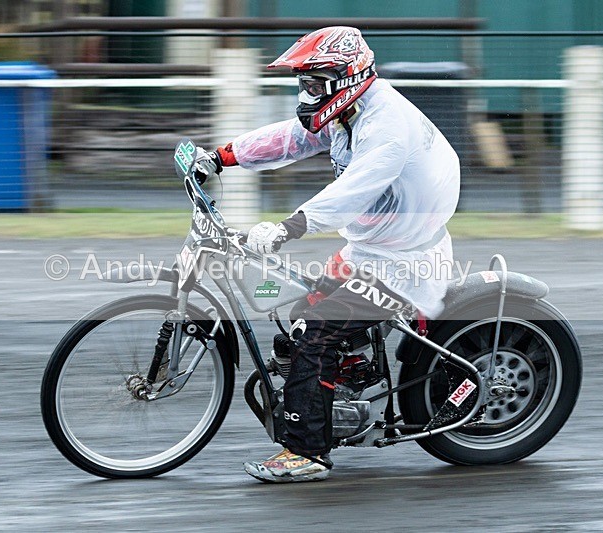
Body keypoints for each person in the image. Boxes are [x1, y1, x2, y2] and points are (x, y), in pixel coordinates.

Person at [194, 26, 460, 483]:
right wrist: (222, 157)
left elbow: (352, 192)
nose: (308, 93)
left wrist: (287, 227)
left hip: (405, 265)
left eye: (315, 83)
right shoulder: (349, 112)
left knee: (315, 335)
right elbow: (291, 138)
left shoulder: (386, 126)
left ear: (346, 78)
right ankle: (344, 389)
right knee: (295, 320)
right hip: (372, 249)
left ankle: (307, 452)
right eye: (304, 83)